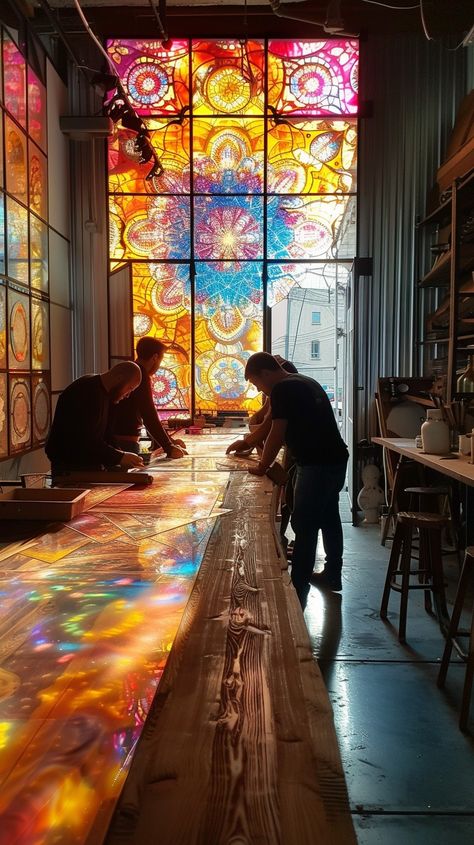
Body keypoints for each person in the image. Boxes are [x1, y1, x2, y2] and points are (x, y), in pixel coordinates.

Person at [229, 352, 348, 607]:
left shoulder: (282, 389)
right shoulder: (303, 381)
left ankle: (298, 586)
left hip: (316, 465)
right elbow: (271, 424)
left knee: (304, 526)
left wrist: (263, 465)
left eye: (256, 382)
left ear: (265, 373)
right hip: (336, 460)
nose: (259, 388)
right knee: (328, 517)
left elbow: (277, 433)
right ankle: (332, 573)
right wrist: (249, 442)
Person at [46, 362, 144, 474]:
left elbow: (106, 435)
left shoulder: (105, 394)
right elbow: (85, 440)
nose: (128, 395)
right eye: (129, 388)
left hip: (87, 466)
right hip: (70, 468)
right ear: (119, 378)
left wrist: (122, 455)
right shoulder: (85, 391)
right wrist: (120, 457)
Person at [112, 337, 187, 459]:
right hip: (125, 443)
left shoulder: (131, 371)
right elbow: (149, 415)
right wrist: (168, 446)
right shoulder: (140, 375)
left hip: (118, 441)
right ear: (155, 358)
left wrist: (170, 442)